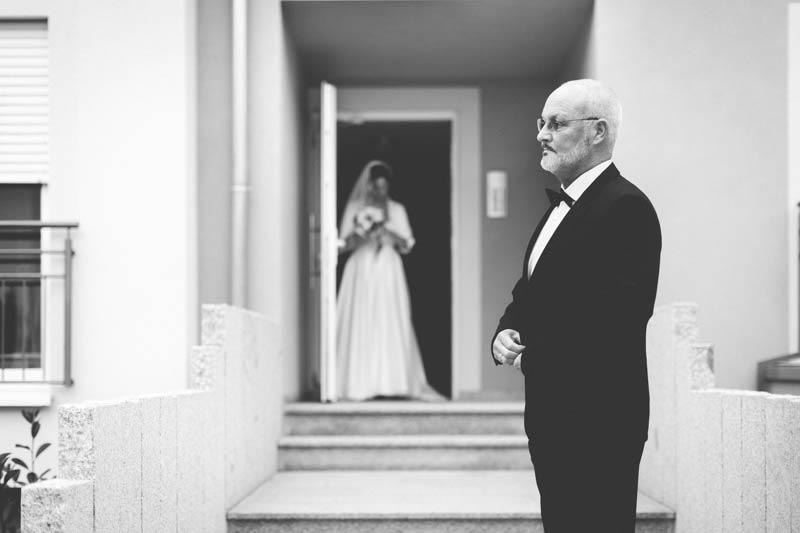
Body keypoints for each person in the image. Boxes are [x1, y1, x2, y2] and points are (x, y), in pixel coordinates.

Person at [491, 79, 661, 532]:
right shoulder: (556, 210)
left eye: (556, 123)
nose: (542, 134)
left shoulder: (627, 207)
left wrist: (539, 341)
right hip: (551, 414)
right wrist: (506, 330)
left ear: (597, 132)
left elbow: (618, 318)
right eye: (541, 123)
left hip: (598, 419)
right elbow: (527, 294)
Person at [336, 160, 443, 401]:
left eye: (384, 187)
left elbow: (407, 244)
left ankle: (392, 382)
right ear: (369, 186)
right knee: (362, 318)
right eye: (375, 187)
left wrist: (386, 229)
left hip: (388, 268)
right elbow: (342, 245)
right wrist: (360, 231)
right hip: (362, 268)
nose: (379, 192)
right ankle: (359, 383)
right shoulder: (355, 208)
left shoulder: (397, 209)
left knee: (389, 318)